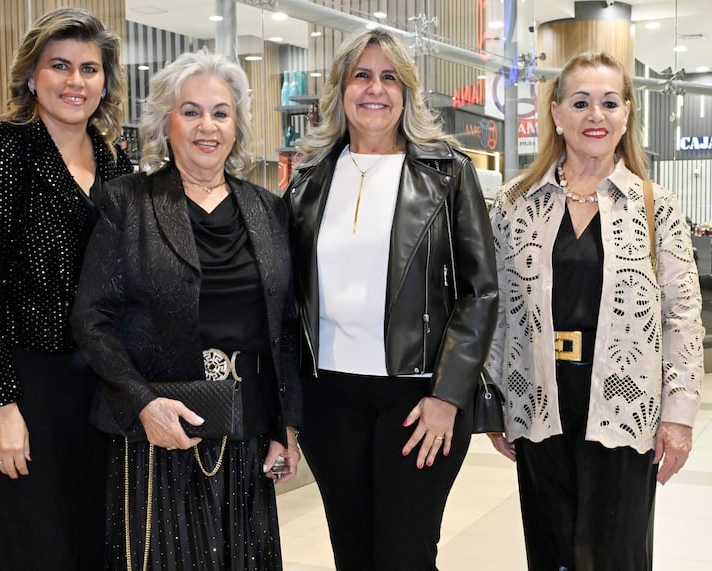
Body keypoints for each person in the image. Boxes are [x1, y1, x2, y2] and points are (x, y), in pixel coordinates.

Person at [70, 49, 302, 570]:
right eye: (191, 111)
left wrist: (285, 426)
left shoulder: (268, 210)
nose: (207, 126)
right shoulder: (126, 203)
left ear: (236, 125)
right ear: (165, 122)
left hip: (247, 434)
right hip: (159, 434)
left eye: (221, 113)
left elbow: (285, 327)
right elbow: (92, 319)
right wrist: (144, 404)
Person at [286, 28, 498, 570]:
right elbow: (288, 298)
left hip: (419, 397)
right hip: (328, 399)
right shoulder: (308, 179)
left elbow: (480, 292)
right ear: (341, 89)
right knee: (352, 553)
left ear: (407, 92)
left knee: (406, 553)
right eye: (361, 75)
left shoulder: (447, 173)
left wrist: (448, 395)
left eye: (389, 77)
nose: (374, 89)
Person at [485, 51, 704, 571]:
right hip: (540, 397)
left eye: (609, 103)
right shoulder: (515, 204)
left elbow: (682, 316)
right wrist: (492, 401)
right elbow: (495, 310)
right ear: (556, 113)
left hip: (624, 400)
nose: (595, 115)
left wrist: (678, 417)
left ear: (626, 114)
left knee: (616, 553)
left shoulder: (656, 205)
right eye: (581, 102)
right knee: (552, 552)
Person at [0, 7, 133, 570]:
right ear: (32, 75)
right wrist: (0, 404)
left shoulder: (115, 161)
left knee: (100, 549)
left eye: (89, 69)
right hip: (27, 386)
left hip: (104, 391)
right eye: (60, 66)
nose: (76, 81)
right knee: (37, 548)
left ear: (105, 82)